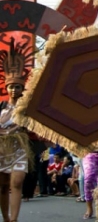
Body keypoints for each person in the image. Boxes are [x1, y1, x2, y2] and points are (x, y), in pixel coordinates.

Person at [0, 39, 33, 222]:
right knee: (3, 186)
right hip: (1, 149)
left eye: (17, 86)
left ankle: (14, 219)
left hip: (19, 149)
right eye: (11, 86)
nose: (14, 90)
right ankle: (5, 218)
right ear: (7, 88)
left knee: (17, 182)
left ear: (22, 89)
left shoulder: (28, 108)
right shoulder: (1, 106)